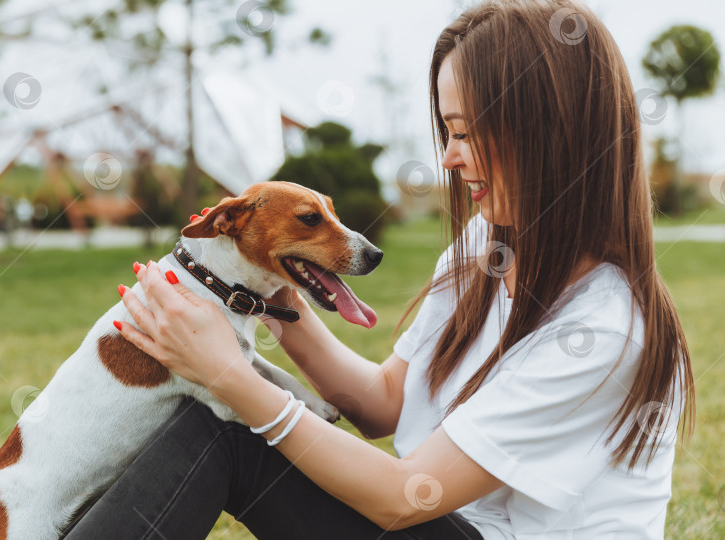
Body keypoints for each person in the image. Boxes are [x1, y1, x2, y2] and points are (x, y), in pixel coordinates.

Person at [63, 0, 693, 538]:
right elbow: (383, 402)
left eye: (467, 133)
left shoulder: (606, 327)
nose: (448, 158)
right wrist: (266, 290)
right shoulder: (487, 246)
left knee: (226, 428)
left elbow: (405, 494)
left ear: (550, 134)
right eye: (447, 132)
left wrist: (228, 374)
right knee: (223, 427)